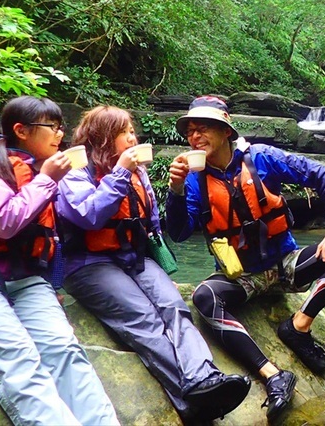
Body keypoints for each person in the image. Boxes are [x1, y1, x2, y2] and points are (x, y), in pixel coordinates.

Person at [163, 96, 325, 419]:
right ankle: (274, 375)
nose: (194, 137)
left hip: (285, 264)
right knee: (204, 298)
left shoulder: (261, 158)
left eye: (202, 129)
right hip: (241, 276)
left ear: (225, 130)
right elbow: (179, 232)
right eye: (190, 132)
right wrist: (175, 191)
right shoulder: (194, 179)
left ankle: (298, 327)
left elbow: (321, 175)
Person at [0, 96, 119, 426]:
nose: (61, 135)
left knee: (65, 352)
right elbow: (4, 221)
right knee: (21, 361)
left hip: (27, 280)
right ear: (21, 130)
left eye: (62, 128)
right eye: (53, 128)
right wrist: (47, 179)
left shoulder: (36, 171)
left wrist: (53, 283)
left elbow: (52, 239)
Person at [55, 106, 250, 423]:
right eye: (125, 133)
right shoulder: (76, 172)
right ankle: (191, 397)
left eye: (133, 131)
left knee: (175, 307)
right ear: (103, 138)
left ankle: (204, 379)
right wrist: (119, 171)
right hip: (89, 263)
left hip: (134, 257)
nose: (133, 138)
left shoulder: (137, 172)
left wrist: (161, 271)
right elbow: (89, 216)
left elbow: (151, 224)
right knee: (143, 319)